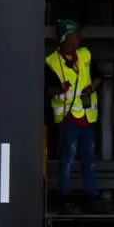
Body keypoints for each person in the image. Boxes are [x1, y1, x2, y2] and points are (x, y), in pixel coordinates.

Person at [45, 19, 100, 209]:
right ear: (65, 38)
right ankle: (63, 194)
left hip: (87, 117)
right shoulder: (51, 62)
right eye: (74, 35)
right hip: (68, 118)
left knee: (89, 158)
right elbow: (46, 90)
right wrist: (60, 89)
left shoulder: (85, 55)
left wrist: (92, 87)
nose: (79, 38)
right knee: (67, 159)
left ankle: (91, 194)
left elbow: (99, 76)